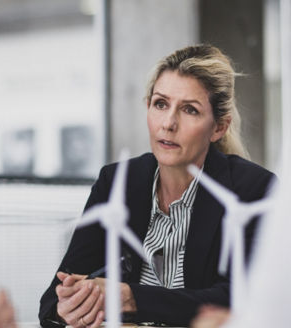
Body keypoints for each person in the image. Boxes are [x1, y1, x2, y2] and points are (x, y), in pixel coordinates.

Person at [39, 44, 275, 327]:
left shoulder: (254, 189)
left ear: (218, 128)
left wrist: (132, 298)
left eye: (189, 110)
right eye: (160, 104)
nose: (168, 123)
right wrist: (72, 306)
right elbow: (53, 299)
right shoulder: (115, 183)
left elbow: (245, 297)